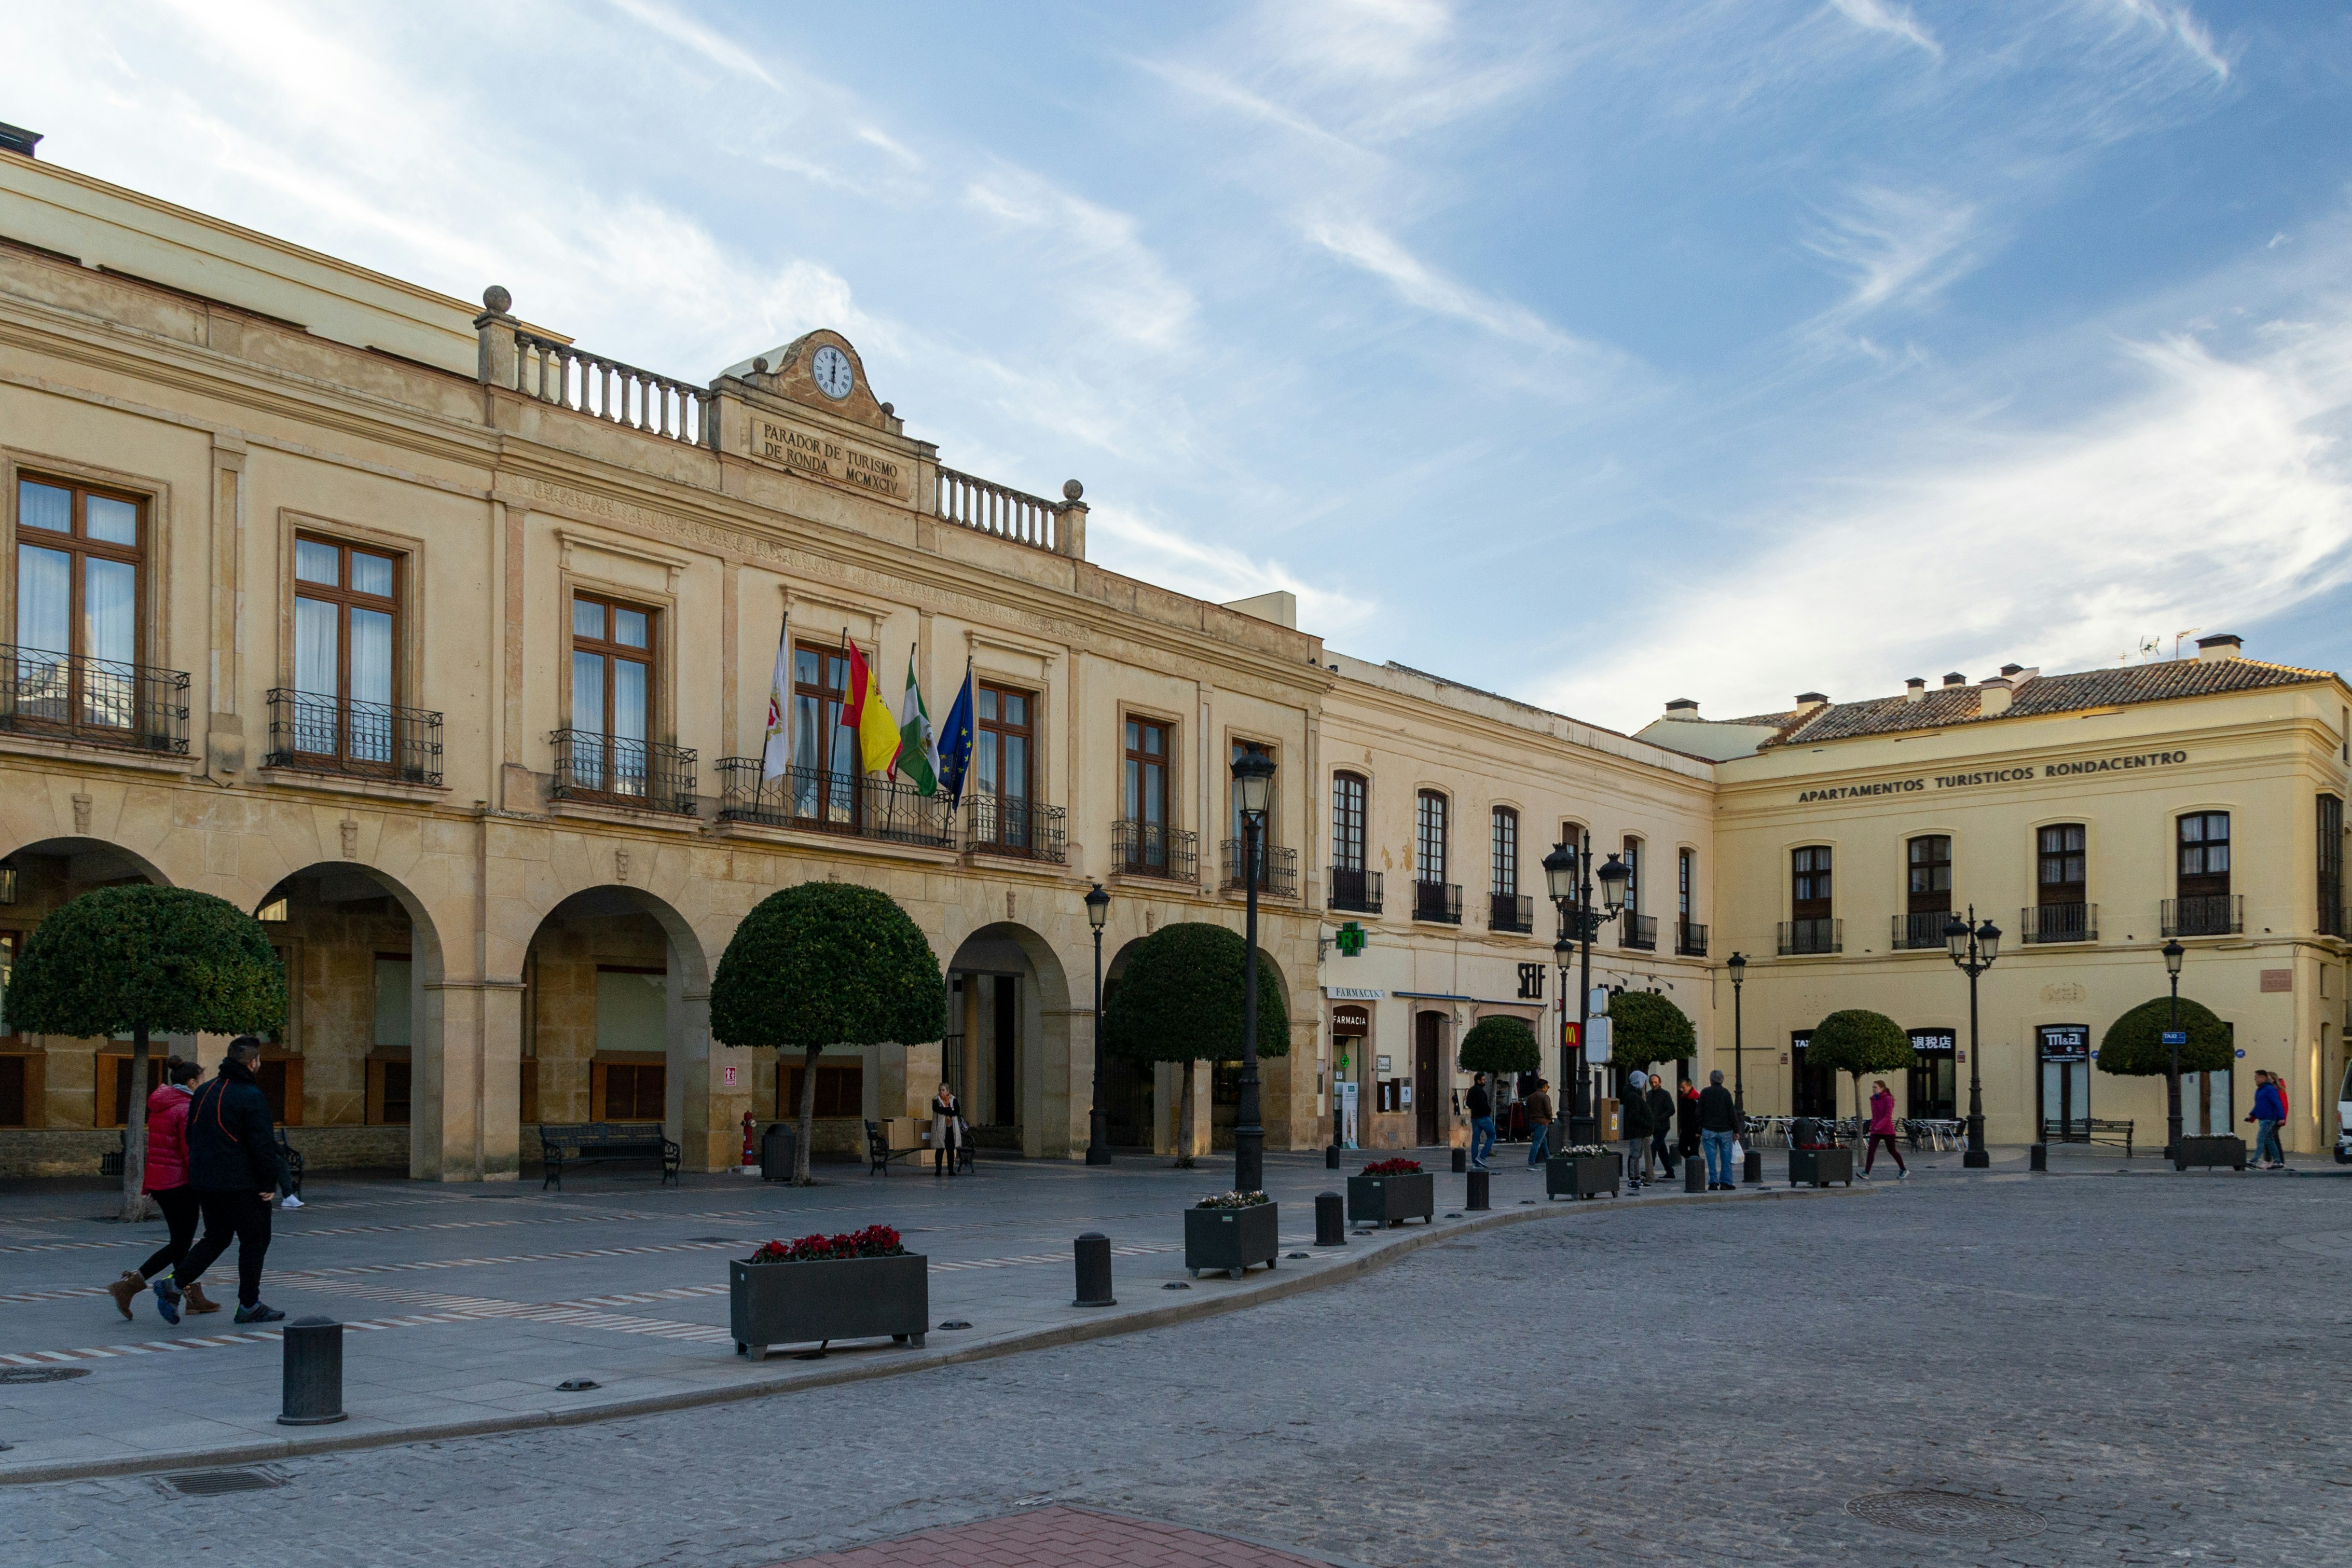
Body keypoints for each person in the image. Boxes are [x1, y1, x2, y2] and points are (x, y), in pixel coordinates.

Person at [157, 1036, 286, 1325]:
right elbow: (262, 1144)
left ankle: (174, 1284)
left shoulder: (204, 1091)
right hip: (242, 1184)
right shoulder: (251, 1095)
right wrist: (268, 1182)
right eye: (259, 1060)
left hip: (206, 1181)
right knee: (255, 1239)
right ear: (253, 1062)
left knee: (217, 1237)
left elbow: (192, 1137)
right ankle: (249, 1305)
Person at [104, 1058, 221, 1321]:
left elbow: (157, 1148)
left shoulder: (161, 1104)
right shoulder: (186, 1107)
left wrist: (149, 1184)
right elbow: (188, 1149)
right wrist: (204, 1180)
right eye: (201, 1080)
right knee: (180, 1243)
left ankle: (191, 1296)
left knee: (180, 1242)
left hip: (162, 1181)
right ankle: (131, 1286)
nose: (202, 1085)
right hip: (180, 1183)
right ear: (192, 1082)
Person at [1697, 1069, 1741, 1190]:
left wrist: (1699, 1129)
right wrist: (1736, 1130)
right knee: (1726, 1158)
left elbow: (1699, 1113)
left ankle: (1713, 1182)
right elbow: (1733, 1113)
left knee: (1711, 1158)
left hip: (1709, 1129)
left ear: (1711, 1080)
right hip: (1726, 1130)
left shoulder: (1705, 1093)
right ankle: (1726, 1182)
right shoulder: (1726, 1093)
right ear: (1722, 1080)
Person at [1864, 1078, 1908, 1179]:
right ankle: (1866, 1172)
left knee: (1892, 1150)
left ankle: (1903, 1169)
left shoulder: (1888, 1099)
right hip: (1876, 1130)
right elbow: (1875, 1115)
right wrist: (1874, 1127)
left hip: (1887, 1130)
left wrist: (1879, 1125)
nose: (1873, 1089)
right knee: (1871, 1151)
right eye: (1873, 1087)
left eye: (1875, 1087)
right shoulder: (1874, 1100)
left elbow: (1888, 1116)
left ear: (1882, 1088)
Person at [2248, 1069, 2288, 1170]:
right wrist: (2252, 1116)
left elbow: (2278, 1104)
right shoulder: (2260, 1090)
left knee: (2261, 1139)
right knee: (2270, 1140)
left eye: (2257, 1077)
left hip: (2269, 1119)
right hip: (2263, 1119)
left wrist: (2282, 1118)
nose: (2255, 1080)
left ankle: (2255, 1160)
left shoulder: (2270, 1089)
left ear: (2263, 1078)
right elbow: (2259, 1106)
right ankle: (2278, 1162)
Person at [1621, 1070, 1653, 1188]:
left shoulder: (1635, 1095)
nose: (1645, 1084)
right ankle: (1633, 1179)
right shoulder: (1633, 1096)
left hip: (1639, 1130)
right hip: (1637, 1130)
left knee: (1637, 1154)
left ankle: (1637, 1178)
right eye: (1643, 1081)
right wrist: (1646, 1123)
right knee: (1635, 1154)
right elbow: (1634, 1115)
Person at [1646, 1074, 1679, 1179]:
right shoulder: (1649, 1095)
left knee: (1654, 1147)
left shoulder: (1665, 1094)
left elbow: (1671, 1109)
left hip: (1663, 1126)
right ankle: (1670, 1171)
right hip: (1654, 1127)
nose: (1654, 1084)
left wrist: (1660, 1118)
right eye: (1652, 1082)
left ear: (1660, 1082)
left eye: (1656, 1082)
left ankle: (1650, 1169)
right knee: (1662, 1150)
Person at [930, 1081, 962, 1176]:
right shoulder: (936, 1100)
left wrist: (947, 1111)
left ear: (947, 1091)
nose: (941, 1091)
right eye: (940, 1090)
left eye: (943, 1090)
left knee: (951, 1150)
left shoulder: (953, 1099)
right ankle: (938, 1170)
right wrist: (948, 1111)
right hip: (940, 1129)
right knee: (940, 1149)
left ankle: (951, 1170)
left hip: (951, 1129)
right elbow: (938, 1110)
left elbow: (957, 1111)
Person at [1466, 1072, 1496, 1170]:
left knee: (1475, 1140)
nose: (1485, 1081)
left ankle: (1475, 1162)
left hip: (1474, 1117)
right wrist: (1488, 1111)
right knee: (1492, 1135)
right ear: (1478, 1081)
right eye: (1483, 1080)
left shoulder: (1471, 1090)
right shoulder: (1480, 1091)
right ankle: (1482, 1157)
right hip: (1483, 1117)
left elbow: (1468, 1103)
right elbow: (1484, 1104)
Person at [1522, 1078, 1555, 1165]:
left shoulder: (1531, 1097)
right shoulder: (1545, 1097)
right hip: (1542, 1122)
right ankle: (1531, 1160)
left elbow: (1527, 1111)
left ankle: (1548, 1159)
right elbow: (1548, 1111)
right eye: (1548, 1087)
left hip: (1533, 1122)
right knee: (1537, 1142)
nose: (1548, 1089)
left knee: (1543, 1141)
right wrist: (1549, 1118)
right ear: (1544, 1087)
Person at [1677, 1079, 1701, 1165]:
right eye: (1680, 1088)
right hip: (1685, 1129)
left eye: (1683, 1088)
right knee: (1682, 1148)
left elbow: (1701, 1115)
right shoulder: (1683, 1098)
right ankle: (1695, 1163)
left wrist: (1699, 1130)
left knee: (1694, 1150)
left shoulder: (1697, 1098)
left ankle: (1697, 1169)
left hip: (1695, 1130)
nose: (1681, 1090)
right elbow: (1682, 1114)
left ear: (1689, 1086)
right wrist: (1681, 1127)